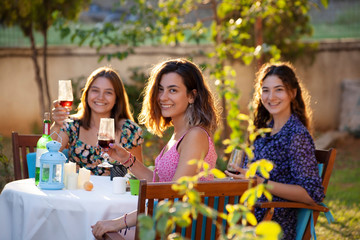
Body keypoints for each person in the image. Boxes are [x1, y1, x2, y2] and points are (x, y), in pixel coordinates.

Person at [91, 58, 220, 239]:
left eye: (173, 90)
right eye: (160, 89)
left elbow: (172, 196)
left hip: (185, 231)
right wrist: (126, 159)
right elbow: (161, 183)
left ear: (192, 96)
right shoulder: (178, 136)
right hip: (168, 226)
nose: (163, 97)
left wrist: (119, 222)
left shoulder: (195, 136)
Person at [225, 62, 325, 239]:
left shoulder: (296, 135)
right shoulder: (263, 132)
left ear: (292, 93)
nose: (271, 97)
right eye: (265, 90)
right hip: (248, 215)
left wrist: (260, 182)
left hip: (271, 223)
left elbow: (312, 194)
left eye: (279, 89)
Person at [51, 66, 144, 176]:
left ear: (117, 99)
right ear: (86, 95)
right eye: (95, 90)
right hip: (78, 191)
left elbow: (137, 176)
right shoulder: (72, 124)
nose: (101, 97)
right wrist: (57, 124)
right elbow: (48, 155)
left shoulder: (129, 130)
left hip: (113, 192)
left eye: (108, 92)